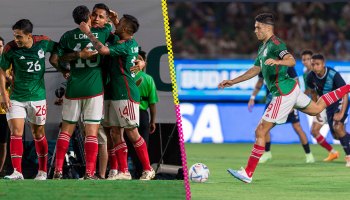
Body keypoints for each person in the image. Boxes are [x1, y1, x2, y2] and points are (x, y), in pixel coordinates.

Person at [218, 13, 350, 183]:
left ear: (267, 28)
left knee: (260, 131)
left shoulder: (275, 44)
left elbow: (291, 60)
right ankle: (348, 87)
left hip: (283, 93)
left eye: (258, 27)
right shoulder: (262, 47)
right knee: (317, 109)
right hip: (291, 90)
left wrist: (278, 62)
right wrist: (233, 81)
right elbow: (255, 70)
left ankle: (248, 173)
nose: (255, 30)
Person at [79, 14, 156, 180]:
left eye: (119, 23)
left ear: (126, 29)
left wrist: (88, 33)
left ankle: (148, 169)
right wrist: (115, 20)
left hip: (125, 93)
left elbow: (103, 50)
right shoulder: (126, 40)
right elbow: (121, 33)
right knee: (114, 132)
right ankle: (123, 171)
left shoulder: (125, 45)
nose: (116, 25)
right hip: (113, 92)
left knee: (132, 132)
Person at [53, 5, 116, 180]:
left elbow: (57, 59)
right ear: (88, 16)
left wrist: (75, 57)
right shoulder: (102, 32)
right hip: (94, 88)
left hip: (73, 87)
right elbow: (111, 27)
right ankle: (90, 173)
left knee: (66, 130)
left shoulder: (67, 36)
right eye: (93, 15)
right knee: (91, 132)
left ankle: (58, 170)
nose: (96, 18)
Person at [0, 19, 59, 180]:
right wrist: (4, 95)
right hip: (16, 97)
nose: (16, 39)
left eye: (19, 36)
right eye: (15, 36)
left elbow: (59, 48)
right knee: (16, 132)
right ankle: (17, 172)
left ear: (29, 36)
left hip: (37, 97)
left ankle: (42, 172)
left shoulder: (43, 42)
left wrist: (56, 61)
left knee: (38, 134)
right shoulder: (10, 48)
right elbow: (1, 69)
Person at [248, 68, 315, 164]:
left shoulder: (288, 67)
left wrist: (293, 103)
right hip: (271, 103)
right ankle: (267, 153)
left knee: (297, 127)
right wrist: (252, 97)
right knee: (264, 128)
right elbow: (259, 83)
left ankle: (309, 155)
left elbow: (297, 85)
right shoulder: (264, 67)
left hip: (288, 102)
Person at [306, 54, 350, 167]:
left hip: (339, 102)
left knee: (338, 127)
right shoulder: (310, 76)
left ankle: (348, 157)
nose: (315, 67)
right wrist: (316, 109)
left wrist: (341, 113)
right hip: (324, 104)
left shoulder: (333, 74)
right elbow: (313, 92)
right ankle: (333, 152)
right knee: (333, 135)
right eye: (313, 64)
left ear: (323, 64)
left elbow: (345, 93)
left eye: (317, 64)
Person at [125, 50, 159, 178]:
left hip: (127, 111)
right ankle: (143, 172)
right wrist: (153, 121)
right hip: (142, 114)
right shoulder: (148, 79)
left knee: (126, 143)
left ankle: (123, 171)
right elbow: (152, 103)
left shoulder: (126, 76)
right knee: (142, 144)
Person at [301, 50, 339, 161]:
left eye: (308, 59)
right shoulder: (307, 75)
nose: (306, 62)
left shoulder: (325, 73)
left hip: (332, 104)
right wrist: (315, 108)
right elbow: (311, 91)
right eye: (304, 60)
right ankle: (333, 152)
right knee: (314, 131)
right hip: (320, 104)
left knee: (337, 134)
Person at [0, 36, 11, 174]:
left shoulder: (9, 63)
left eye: (0, 46)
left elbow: (16, 80)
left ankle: (1, 170)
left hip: (3, 109)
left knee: (2, 142)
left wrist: (6, 77)